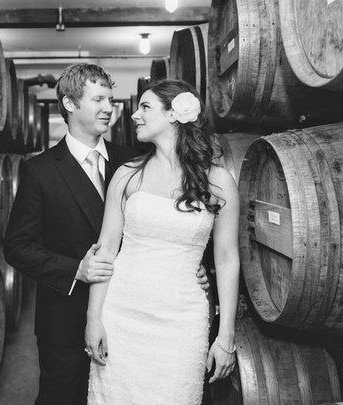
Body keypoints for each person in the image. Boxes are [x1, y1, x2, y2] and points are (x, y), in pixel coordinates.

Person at [3, 64, 209, 405]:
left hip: (132, 316)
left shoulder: (135, 161)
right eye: (98, 99)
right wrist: (76, 269)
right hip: (66, 319)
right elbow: (17, 247)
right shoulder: (39, 171)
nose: (108, 107)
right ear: (69, 104)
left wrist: (189, 267)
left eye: (110, 99)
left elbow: (172, 222)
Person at [85, 79, 240, 405]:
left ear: (174, 114)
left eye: (145, 107)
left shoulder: (219, 180)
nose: (134, 116)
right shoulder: (126, 174)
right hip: (122, 315)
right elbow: (106, 251)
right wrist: (93, 318)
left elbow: (226, 258)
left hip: (182, 321)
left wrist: (225, 335)